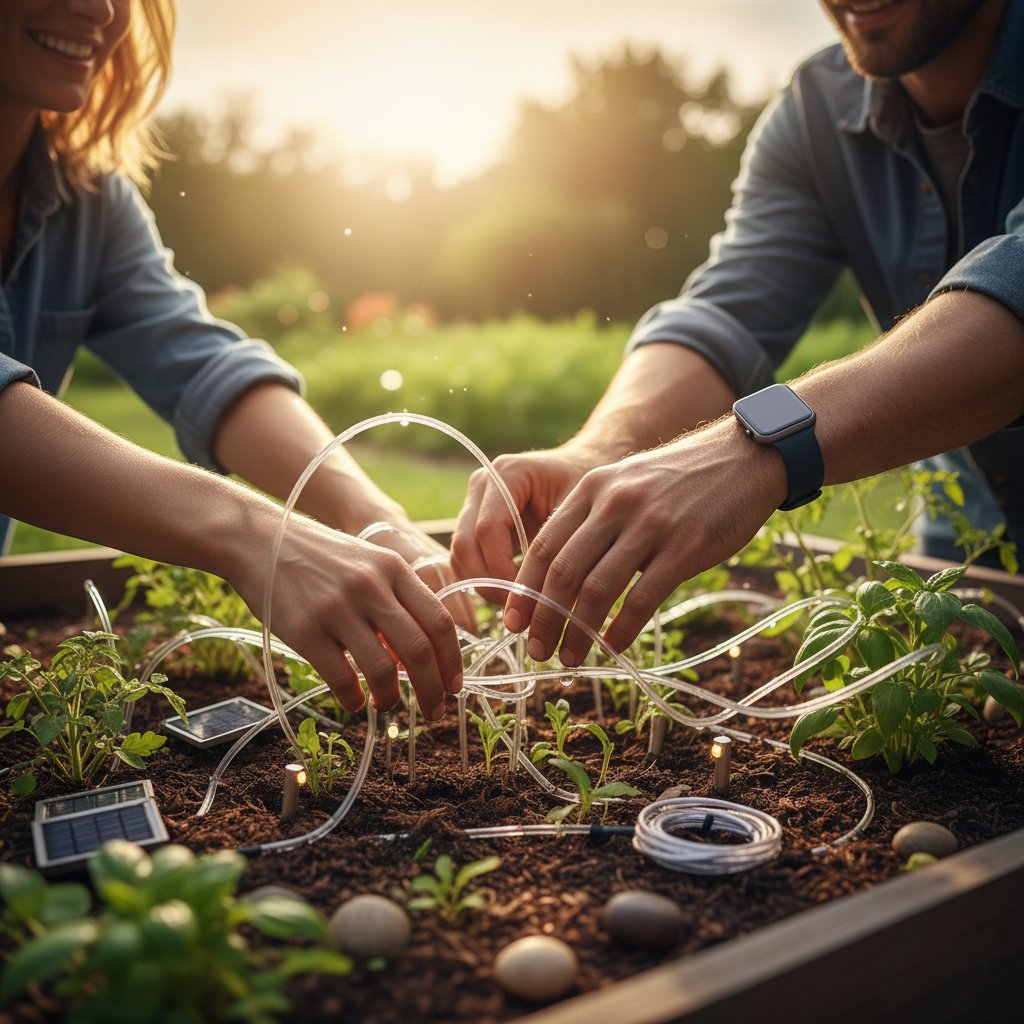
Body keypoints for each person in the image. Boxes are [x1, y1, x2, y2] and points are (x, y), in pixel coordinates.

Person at [451, 0, 1024, 669]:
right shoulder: (818, 111)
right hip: (968, 558)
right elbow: (730, 310)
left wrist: (757, 448)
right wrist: (597, 453)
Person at [0, 0, 466, 717]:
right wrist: (254, 535)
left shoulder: (87, 203)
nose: (97, 8)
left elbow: (202, 362)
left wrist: (370, 514)